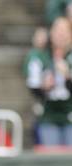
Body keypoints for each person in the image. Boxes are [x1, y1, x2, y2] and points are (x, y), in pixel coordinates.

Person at [25, 17, 72, 146]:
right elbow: (33, 87)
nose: (61, 35)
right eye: (58, 30)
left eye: (64, 30)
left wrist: (68, 77)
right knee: (51, 157)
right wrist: (43, 87)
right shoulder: (40, 56)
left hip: (70, 115)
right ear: (51, 33)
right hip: (48, 116)